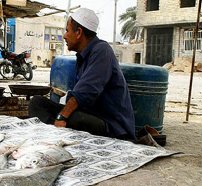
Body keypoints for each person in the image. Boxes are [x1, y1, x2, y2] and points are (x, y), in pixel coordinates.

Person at [29, 8, 136, 141]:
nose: (64, 36)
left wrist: (62, 117)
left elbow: (85, 93)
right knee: (37, 103)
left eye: (67, 31)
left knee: (73, 118)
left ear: (79, 32)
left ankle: (55, 132)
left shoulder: (102, 51)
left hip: (111, 126)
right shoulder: (83, 56)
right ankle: (54, 133)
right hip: (90, 114)